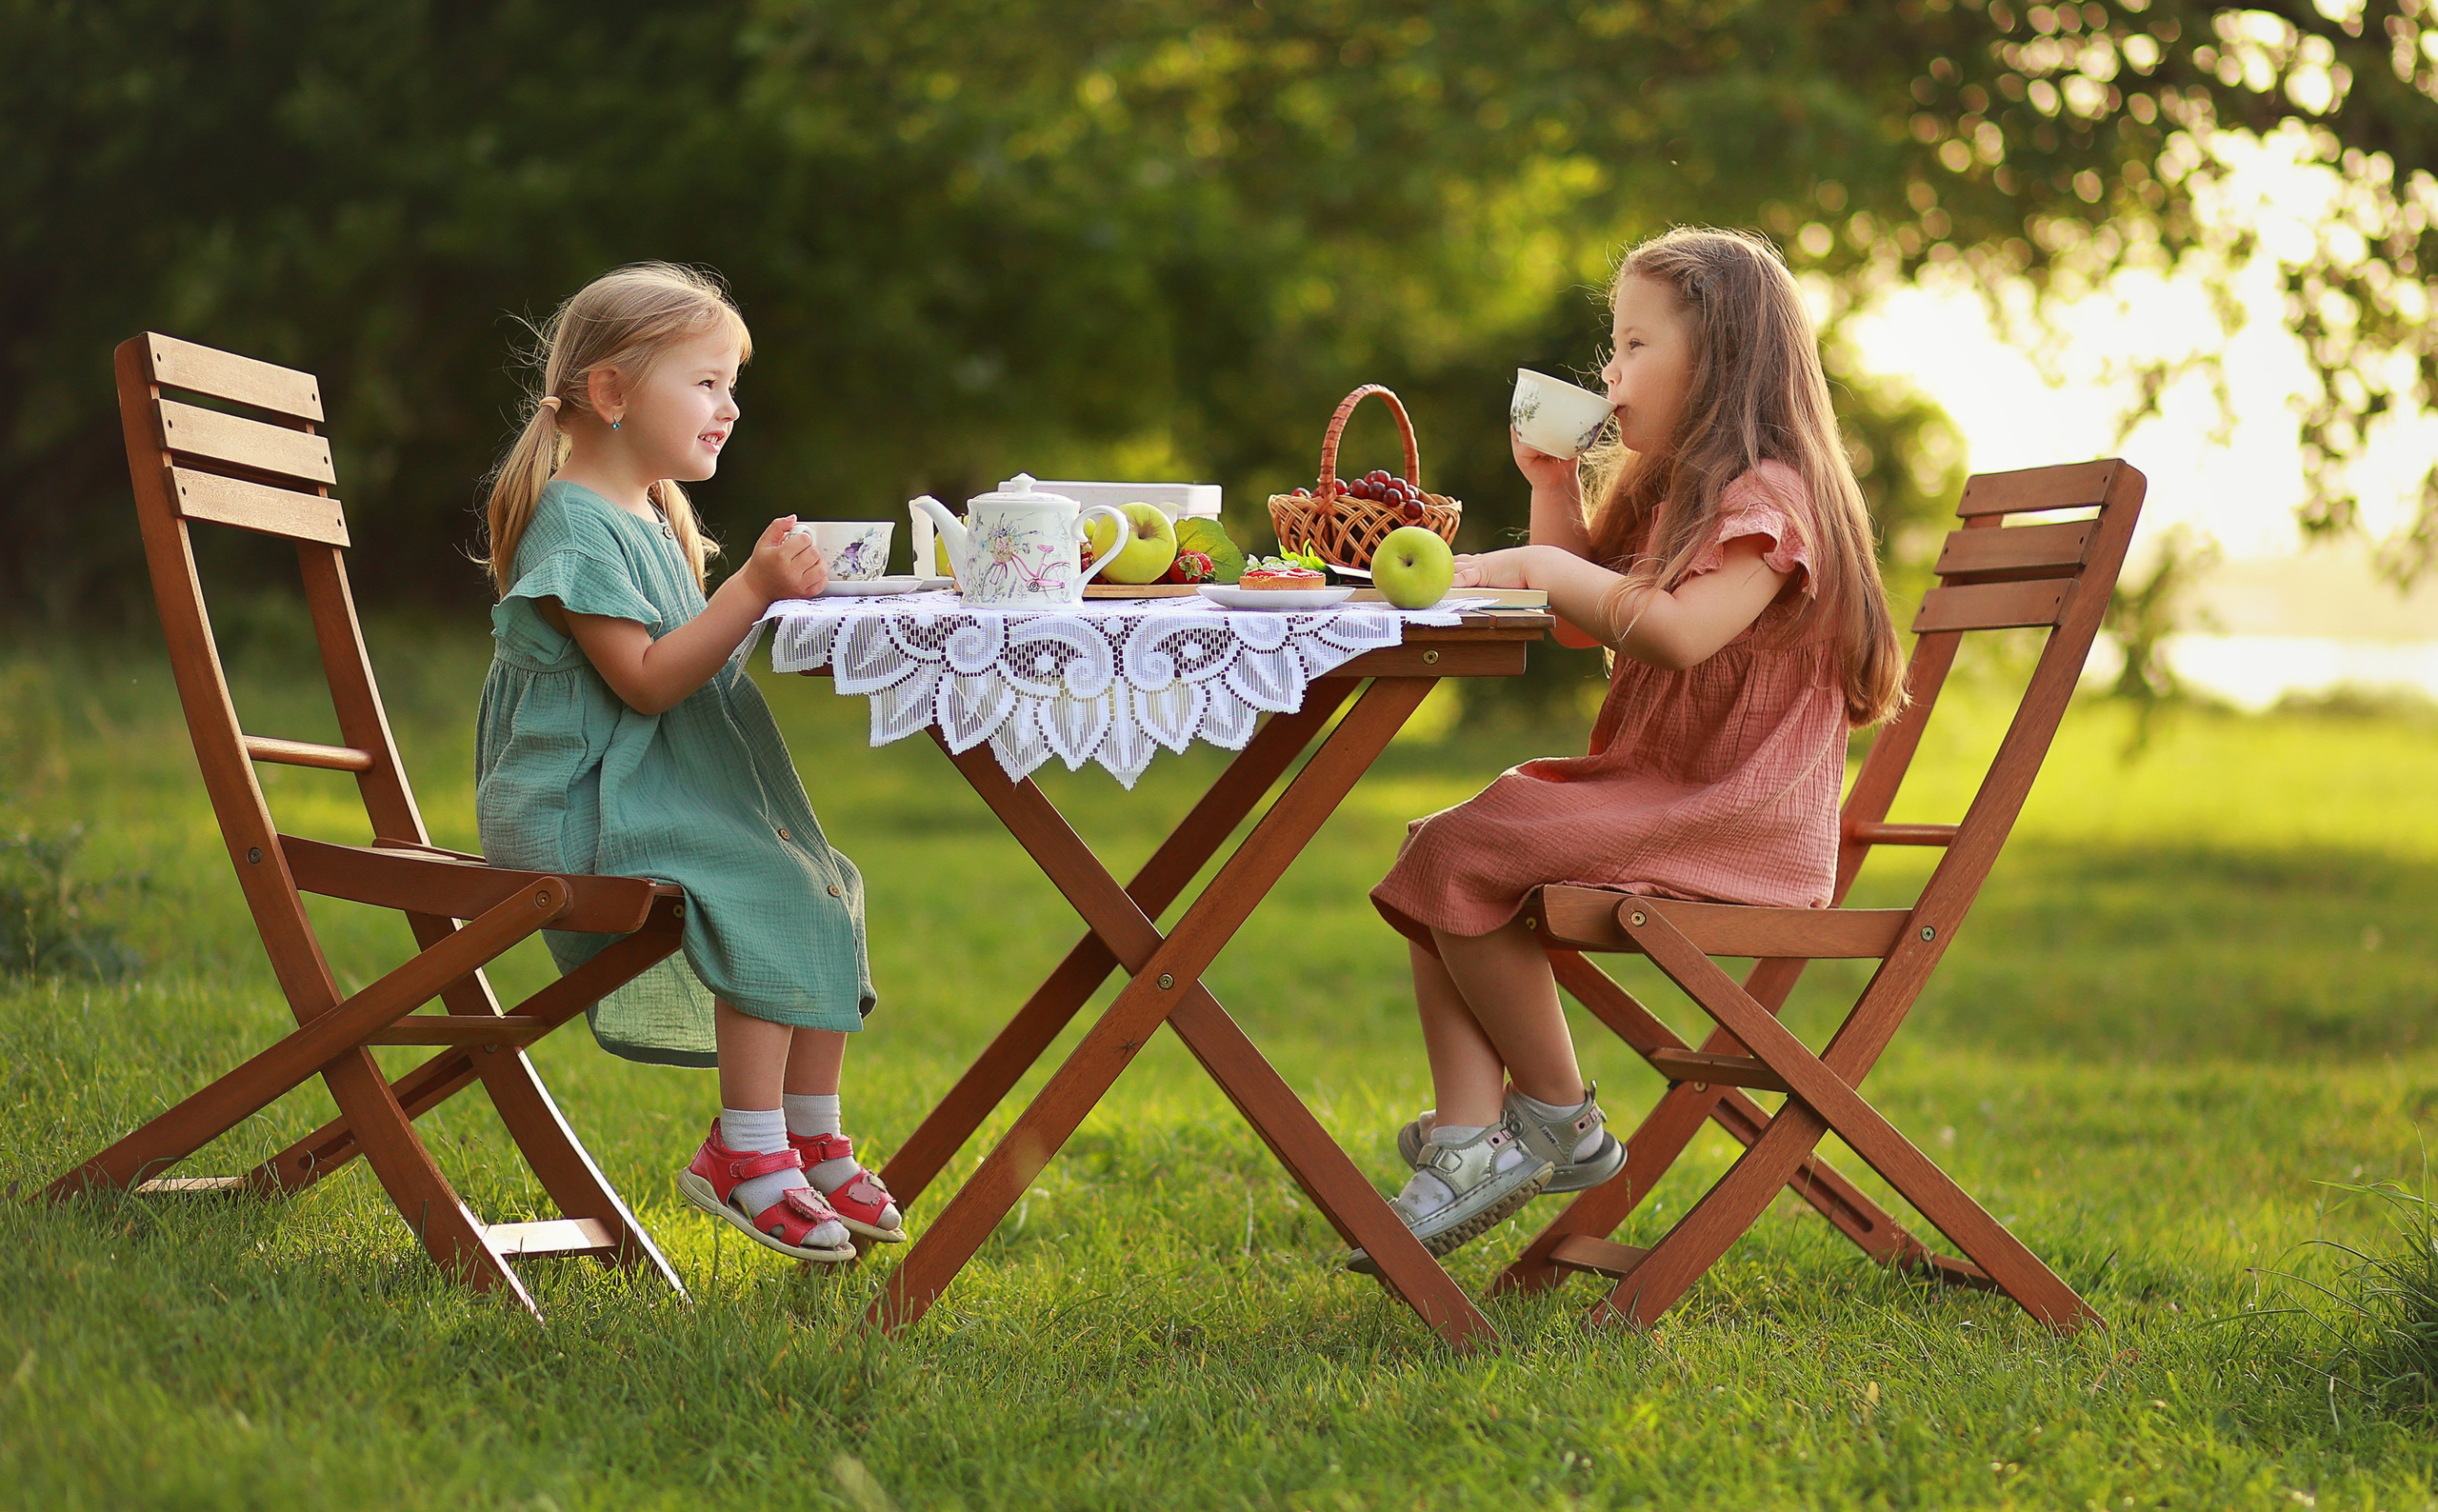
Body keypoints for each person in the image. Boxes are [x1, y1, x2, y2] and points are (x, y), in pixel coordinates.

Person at [1354, 228, 1907, 1267]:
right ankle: (1472, 1135)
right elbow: (1575, 609)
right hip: (1664, 788)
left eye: (1634, 345)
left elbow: (1675, 630)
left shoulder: (1771, 500)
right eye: (1612, 347)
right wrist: (1549, 485)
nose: (1608, 372)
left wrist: (1529, 564)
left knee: (1465, 844)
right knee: (1445, 843)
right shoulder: (1669, 486)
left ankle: (1561, 1122)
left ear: (1723, 360)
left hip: (1730, 819)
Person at [475, 262, 902, 1265]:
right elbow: (648, 681)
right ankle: (743, 1151)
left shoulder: (647, 512)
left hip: (637, 782)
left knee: (825, 876)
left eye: (730, 384)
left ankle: (806, 1132)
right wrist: (749, 587)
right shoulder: (574, 521)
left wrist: (770, 595)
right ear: (613, 393)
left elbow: (678, 660)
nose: (731, 406)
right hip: (580, 803)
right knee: (762, 879)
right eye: (705, 383)